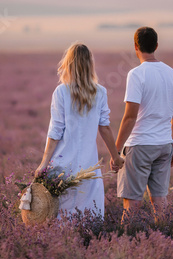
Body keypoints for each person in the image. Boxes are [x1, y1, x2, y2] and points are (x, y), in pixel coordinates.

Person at [36, 42, 124, 218]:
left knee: (61, 214)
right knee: (90, 213)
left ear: (69, 64)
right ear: (89, 64)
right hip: (88, 165)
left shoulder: (61, 92)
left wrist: (44, 164)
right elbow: (105, 128)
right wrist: (116, 157)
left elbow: (55, 132)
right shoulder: (100, 92)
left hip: (62, 165)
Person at [112, 26, 173, 222]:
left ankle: (126, 244)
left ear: (135, 47)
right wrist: (172, 147)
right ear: (156, 46)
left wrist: (116, 151)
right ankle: (167, 239)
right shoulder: (172, 74)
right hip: (164, 146)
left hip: (140, 145)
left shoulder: (136, 74)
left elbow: (130, 117)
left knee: (132, 203)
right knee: (160, 201)